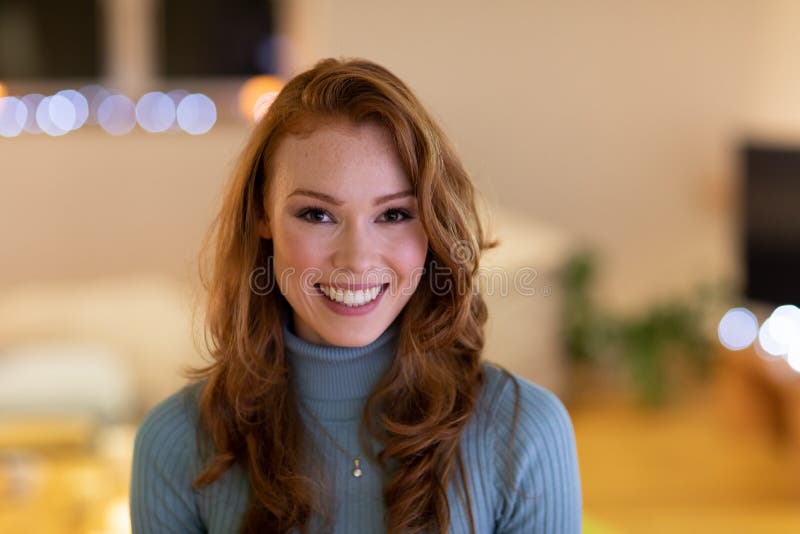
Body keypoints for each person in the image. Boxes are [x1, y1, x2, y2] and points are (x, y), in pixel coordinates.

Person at [130, 57, 582, 534]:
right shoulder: (176, 444)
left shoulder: (525, 433)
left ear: (432, 226)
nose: (357, 260)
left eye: (393, 215)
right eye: (317, 215)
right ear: (262, 215)